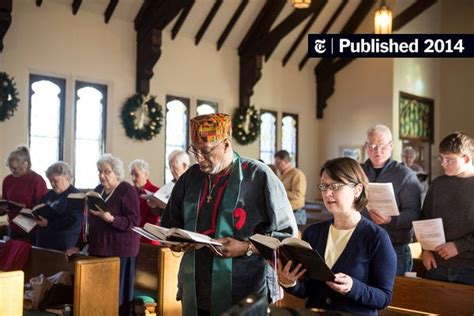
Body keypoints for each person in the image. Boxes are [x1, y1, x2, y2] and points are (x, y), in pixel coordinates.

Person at [161, 113, 297, 316]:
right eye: (194, 151)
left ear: (226, 144)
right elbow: (171, 223)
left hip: (245, 289)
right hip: (197, 287)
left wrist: (246, 247)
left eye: (206, 151)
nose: (199, 158)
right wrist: (177, 240)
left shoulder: (258, 176)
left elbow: (286, 236)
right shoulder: (191, 177)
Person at [278, 157, 396, 315]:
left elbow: (383, 298)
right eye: (324, 186)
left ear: (357, 190)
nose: (327, 193)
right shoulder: (313, 233)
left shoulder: (376, 237)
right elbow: (307, 290)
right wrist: (290, 282)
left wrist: (353, 287)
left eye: (335, 186)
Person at [66, 153, 140, 316]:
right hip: (98, 251)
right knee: (98, 298)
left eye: (107, 172)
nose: (102, 175)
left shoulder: (127, 190)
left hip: (120, 254)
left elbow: (134, 222)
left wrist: (111, 219)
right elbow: (89, 223)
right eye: (100, 171)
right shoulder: (98, 190)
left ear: (117, 173)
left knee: (117, 301)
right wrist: (78, 246)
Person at [361, 124, 421, 275]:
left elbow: (414, 214)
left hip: (395, 248)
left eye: (381, 145)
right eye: (372, 145)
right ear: (366, 146)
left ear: (391, 146)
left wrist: (390, 220)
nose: (377, 150)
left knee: (395, 296)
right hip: (362, 244)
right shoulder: (357, 172)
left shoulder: (405, 175)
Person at [421, 131, 474, 285]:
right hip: (437, 266)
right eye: (441, 158)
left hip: (470, 269)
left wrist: (459, 246)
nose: (443, 164)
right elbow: (425, 219)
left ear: (466, 158)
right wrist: (426, 250)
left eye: (449, 160)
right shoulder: (438, 184)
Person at [1, 145, 48, 243]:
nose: (13, 170)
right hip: (13, 227)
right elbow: (5, 202)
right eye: (10, 167)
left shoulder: (37, 180)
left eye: (16, 168)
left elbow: (42, 207)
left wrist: (24, 206)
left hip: (33, 228)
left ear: (26, 164)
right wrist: (3, 209)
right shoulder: (8, 180)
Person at [35, 162, 83, 251]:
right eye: (50, 181)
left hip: (63, 245)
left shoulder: (76, 196)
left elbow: (73, 221)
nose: (52, 184)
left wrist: (48, 223)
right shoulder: (47, 195)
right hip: (44, 243)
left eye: (55, 180)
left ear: (67, 177)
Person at [129, 159, 160, 245]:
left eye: (136, 175)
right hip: (131, 235)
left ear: (146, 174)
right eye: (131, 175)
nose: (133, 178)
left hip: (148, 237)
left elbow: (154, 218)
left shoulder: (156, 191)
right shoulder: (129, 192)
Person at [274, 150, 308, 225]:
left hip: (296, 213)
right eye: (275, 163)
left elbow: (298, 195)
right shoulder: (281, 174)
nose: (276, 165)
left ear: (286, 161)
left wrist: (280, 192)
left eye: (278, 163)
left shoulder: (297, 174)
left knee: (294, 237)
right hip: (285, 212)